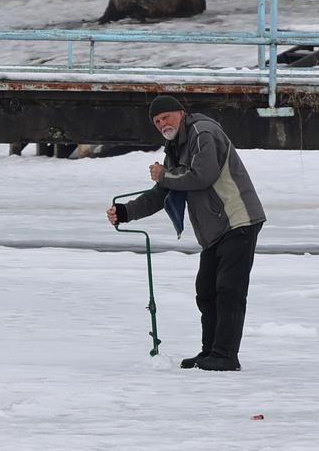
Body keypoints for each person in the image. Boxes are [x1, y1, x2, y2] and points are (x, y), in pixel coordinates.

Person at [106, 95, 266, 371]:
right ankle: (211, 352)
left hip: (238, 220)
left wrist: (164, 175)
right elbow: (162, 194)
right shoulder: (174, 149)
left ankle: (226, 355)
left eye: (166, 117)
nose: (161, 123)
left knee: (228, 291)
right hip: (216, 229)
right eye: (156, 121)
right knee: (206, 291)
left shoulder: (204, 133)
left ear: (181, 113)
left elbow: (202, 175)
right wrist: (125, 212)